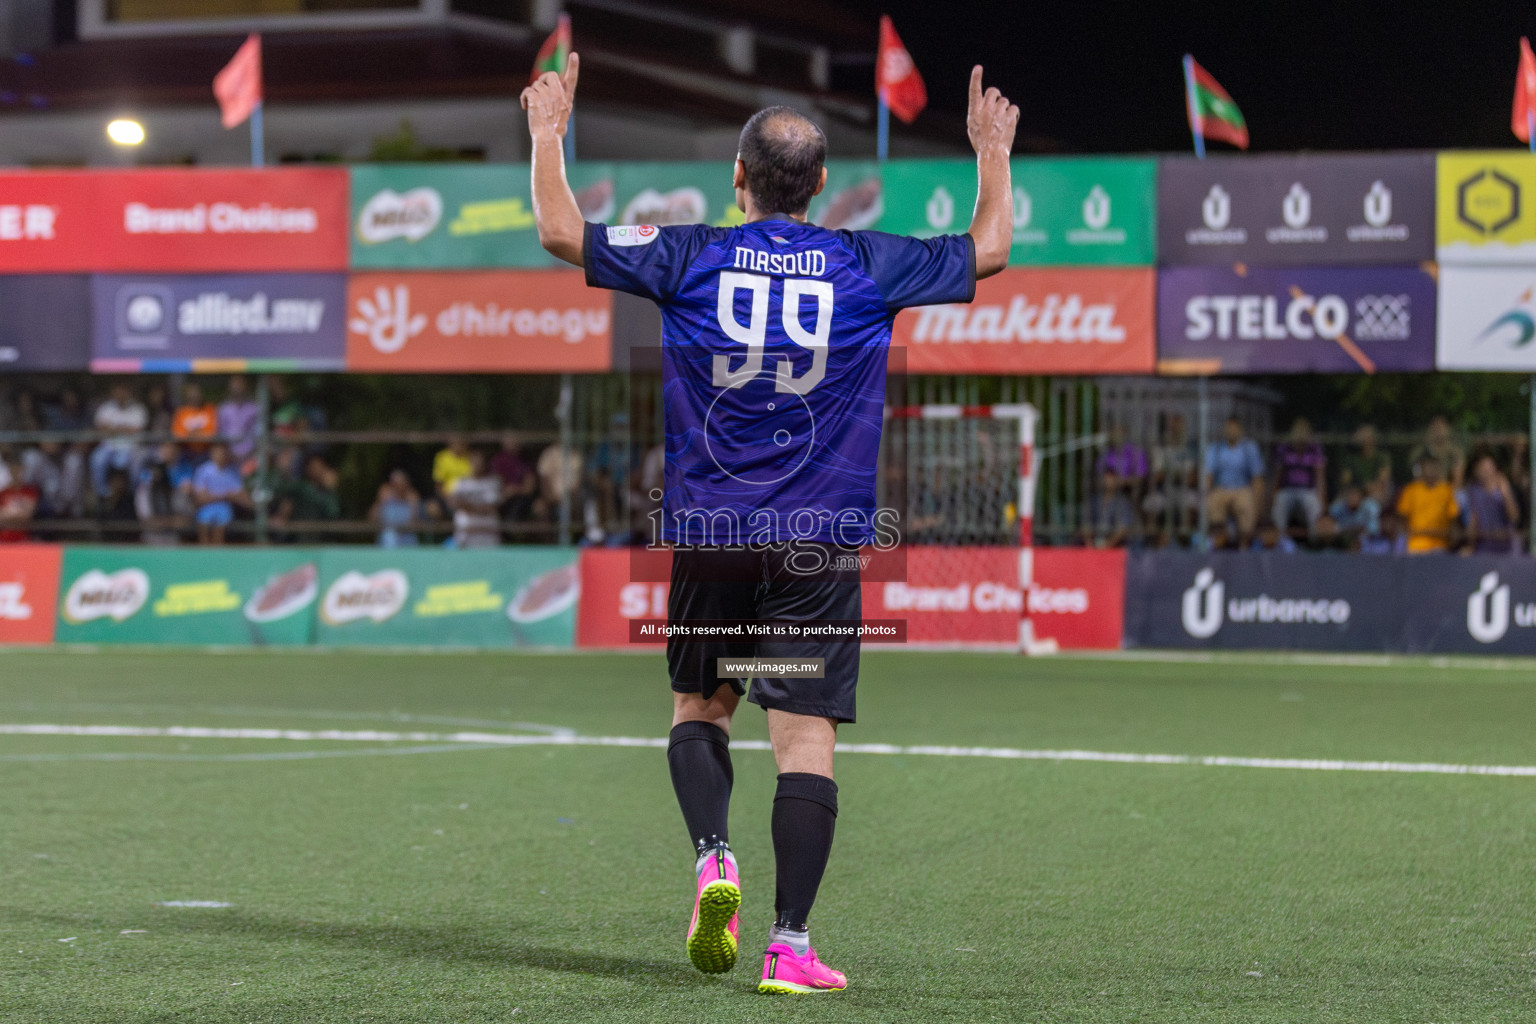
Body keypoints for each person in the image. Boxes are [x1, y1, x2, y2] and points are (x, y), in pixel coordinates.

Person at [525, 53, 1017, 991]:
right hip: (818, 545)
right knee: (804, 737)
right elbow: (988, 249)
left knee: (700, 708)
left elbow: (560, 229)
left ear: (738, 178)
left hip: (713, 534)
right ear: (824, 186)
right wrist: (990, 153)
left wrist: (550, 129)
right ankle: (790, 946)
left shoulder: (688, 253)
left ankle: (714, 857)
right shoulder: (867, 264)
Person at [1204, 417, 1265, 549]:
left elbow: (1257, 478)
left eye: (1234, 428)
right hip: (1221, 488)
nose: (1231, 431)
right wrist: (1204, 494)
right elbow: (1208, 476)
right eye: (1229, 428)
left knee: (1247, 505)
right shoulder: (1215, 448)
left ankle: (1244, 545)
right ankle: (1220, 542)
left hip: (1242, 488)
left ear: (1240, 430)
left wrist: (1258, 502)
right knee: (1213, 503)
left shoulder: (1249, 448)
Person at [1270, 417, 1326, 542]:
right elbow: (1278, 474)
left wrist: (1322, 499)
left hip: (1307, 490)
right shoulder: (1284, 447)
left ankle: (1314, 540)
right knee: (1280, 502)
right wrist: (1273, 495)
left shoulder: (1314, 448)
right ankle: (1281, 541)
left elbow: (1320, 477)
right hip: (1288, 489)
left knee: (1313, 505)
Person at [89, 384, 148, 498]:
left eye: (123, 391)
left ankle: (133, 494)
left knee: (125, 463)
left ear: (128, 392)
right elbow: (100, 427)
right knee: (97, 459)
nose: (120, 394)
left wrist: (114, 428)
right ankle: (103, 494)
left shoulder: (137, 408)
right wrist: (124, 428)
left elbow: (137, 430)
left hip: (131, 447)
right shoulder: (106, 407)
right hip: (108, 446)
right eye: (117, 391)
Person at [1396, 454, 1458, 554]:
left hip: (1439, 546)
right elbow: (1402, 517)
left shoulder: (1447, 491)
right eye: (1428, 466)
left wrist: (1445, 534)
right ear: (1422, 468)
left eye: (1434, 467)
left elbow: (1453, 519)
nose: (1431, 470)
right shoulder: (1411, 490)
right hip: (1415, 545)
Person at [1462, 450, 1520, 555]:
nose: (1486, 472)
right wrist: (1470, 546)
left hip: (1507, 546)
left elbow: (1514, 517)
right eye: (1482, 469)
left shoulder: (1504, 488)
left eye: (1489, 468)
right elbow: (1473, 521)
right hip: (1485, 546)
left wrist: (1505, 492)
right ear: (1475, 471)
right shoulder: (1473, 491)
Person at [192, 442, 248, 545]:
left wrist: (221, 497)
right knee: (204, 524)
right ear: (212, 453)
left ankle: (217, 552)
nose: (220, 455)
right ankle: (205, 551)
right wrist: (225, 496)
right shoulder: (203, 470)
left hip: (224, 506)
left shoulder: (232, 472)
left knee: (220, 526)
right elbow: (201, 497)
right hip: (207, 506)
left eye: (223, 452)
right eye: (218, 452)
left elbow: (239, 494)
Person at [449, 450, 502, 549]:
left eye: (480, 462)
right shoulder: (460, 482)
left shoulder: (493, 482)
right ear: (469, 463)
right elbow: (454, 503)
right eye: (474, 461)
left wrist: (466, 506)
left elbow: (490, 508)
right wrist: (476, 507)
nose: (477, 465)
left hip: (487, 536)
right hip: (464, 536)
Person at [371, 469, 430, 548]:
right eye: (394, 484)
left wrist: (413, 506)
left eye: (401, 484)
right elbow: (372, 518)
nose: (398, 487)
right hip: (388, 535)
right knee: (389, 536)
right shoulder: (385, 496)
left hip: (407, 535)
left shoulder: (412, 498)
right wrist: (380, 503)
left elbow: (415, 522)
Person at [1080, 470, 1137, 548]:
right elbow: (1086, 523)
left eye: (1111, 479)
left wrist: (1107, 546)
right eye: (1105, 478)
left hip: (1116, 544)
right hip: (1094, 542)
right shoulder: (1093, 501)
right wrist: (1089, 544)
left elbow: (1123, 529)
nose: (1107, 481)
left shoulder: (1123, 502)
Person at [1339, 424, 1392, 507]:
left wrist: (1369, 488)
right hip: (1356, 491)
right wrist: (1359, 489)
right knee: (1338, 504)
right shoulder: (1351, 458)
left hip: (1375, 491)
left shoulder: (1381, 457)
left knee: (1372, 502)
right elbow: (1345, 481)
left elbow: (1383, 480)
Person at [1411, 416, 1466, 489]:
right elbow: (1416, 477)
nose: (1439, 430)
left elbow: (1458, 480)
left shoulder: (1455, 453)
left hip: (1448, 491)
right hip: (1426, 492)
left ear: (1448, 429)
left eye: (1442, 426)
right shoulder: (1420, 452)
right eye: (1435, 426)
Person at [1327, 484, 1383, 552]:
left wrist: (1355, 531)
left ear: (1361, 497)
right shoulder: (1337, 508)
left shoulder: (1371, 506)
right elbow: (1331, 528)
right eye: (1350, 495)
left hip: (1367, 541)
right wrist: (1353, 530)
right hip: (1343, 541)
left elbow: (1374, 529)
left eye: (1355, 495)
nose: (1352, 498)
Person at [218, 376, 262, 461]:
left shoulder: (254, 408)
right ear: (230, 387)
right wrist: (227, 453)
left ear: (245, 386)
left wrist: (251, 452)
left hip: (251, 455)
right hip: (228, 456)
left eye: (239, 385)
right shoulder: (224, 408)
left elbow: (258, 432)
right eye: (234, 385)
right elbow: (220, 432)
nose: (237, 388)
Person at [0, 453, 38, 542]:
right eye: (13, 469)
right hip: (3, 539)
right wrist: (17, 512)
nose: (16, 473)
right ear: (9, 470)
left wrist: (7, 512)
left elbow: (26, 515)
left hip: (23, 539)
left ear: (23, 470)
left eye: (18, 469)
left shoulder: (30, 492)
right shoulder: (3, 493)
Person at [171, 381, 218, 453]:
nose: (195, 398)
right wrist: (197, 434)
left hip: (207, 451)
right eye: (192, 395)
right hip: (185, 451)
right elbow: (177, 433)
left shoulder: (209, 409)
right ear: (187, 397)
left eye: (197, 395)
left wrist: (193, 434)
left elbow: (212, 432)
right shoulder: (181, 412)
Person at [432, 435, 474, 500]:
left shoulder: (472, 457)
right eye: (456, 444)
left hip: (469, 494)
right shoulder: (442, 458)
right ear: (450, 445)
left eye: (462, 444)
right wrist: (446, 498)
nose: (459, 447)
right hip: (449, 495)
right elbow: (438, 483)